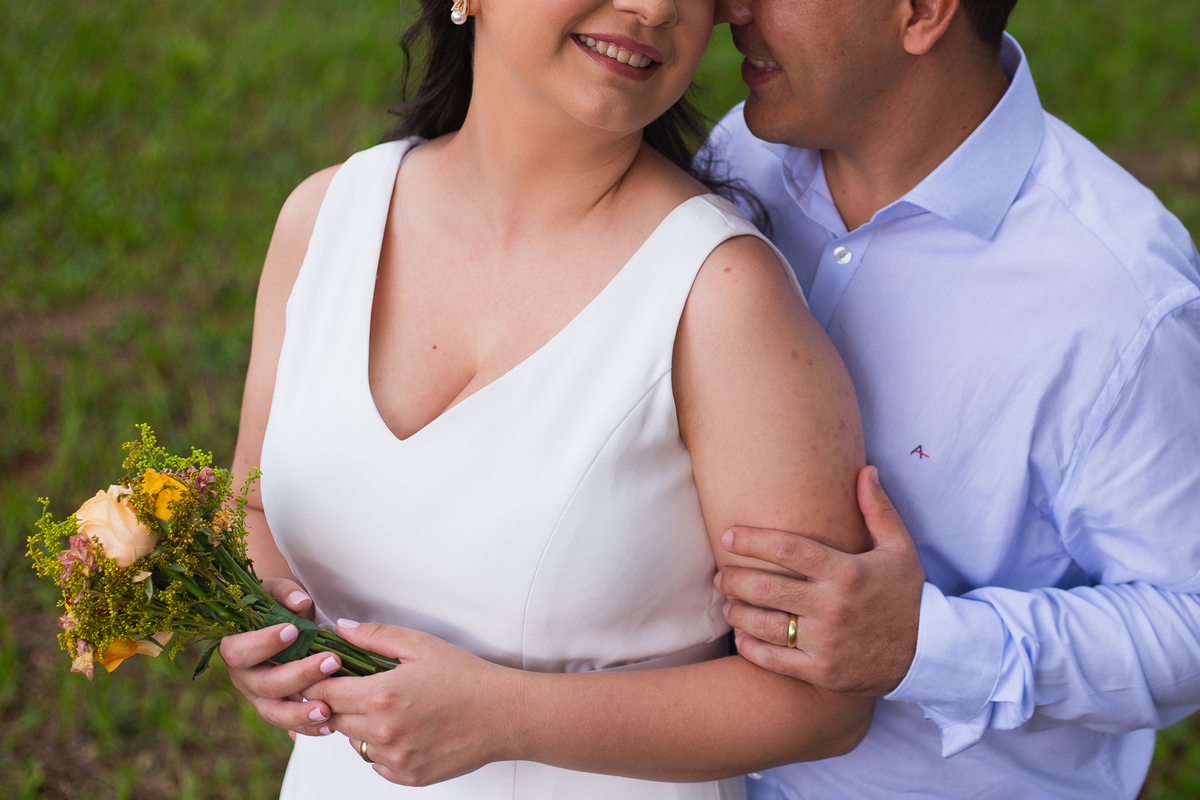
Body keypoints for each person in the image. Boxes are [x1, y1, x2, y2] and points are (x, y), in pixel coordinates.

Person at [219, 0, 874, 796]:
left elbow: (825, 701)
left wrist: (511, 719)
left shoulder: (723, 298)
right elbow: (251, 507)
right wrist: (265, 640)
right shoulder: (325, 220)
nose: (655, 7)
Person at [700, 0, 1200, 797]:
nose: (732, 9)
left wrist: (930, 644)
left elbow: (1189, 618)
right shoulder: (739, 155)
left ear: (924, 13)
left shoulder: (1120, 302)